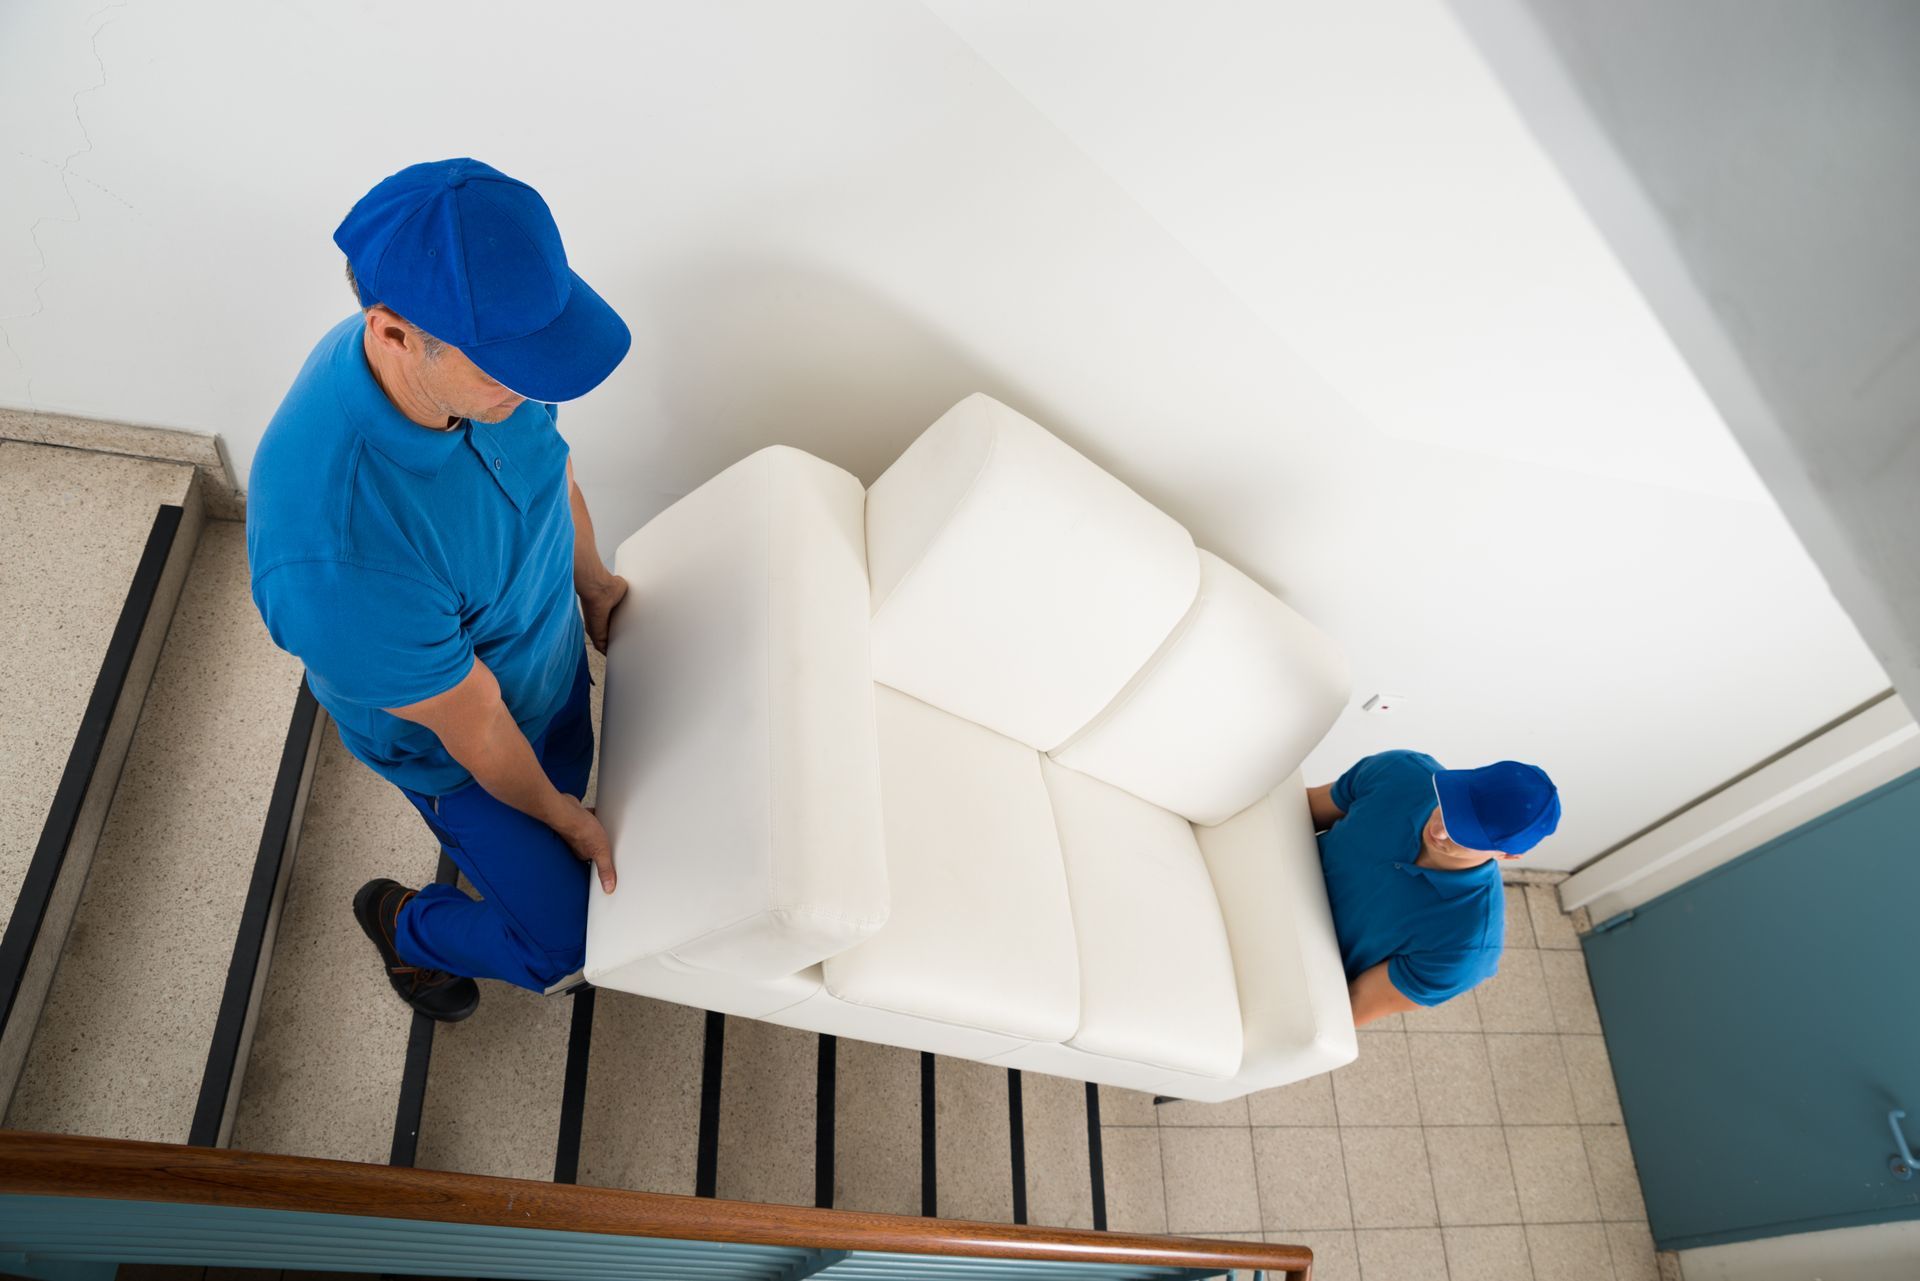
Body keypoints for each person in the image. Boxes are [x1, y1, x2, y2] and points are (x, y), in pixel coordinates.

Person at [247, 158, 633, 1022]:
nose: (531, 386)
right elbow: (477, 723)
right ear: (391, 334)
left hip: (545, 661)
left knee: (562, 785)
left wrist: (594, 582)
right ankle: (405, 928)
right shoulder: (335, 552)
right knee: (566, 943)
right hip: (462, 745)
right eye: (508, 368)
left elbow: (552, 471)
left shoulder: (478, 368)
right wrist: (559, 816)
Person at [1309, 751, 1561, 1027]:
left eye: (1464, 833)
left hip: (1300, 968)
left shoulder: (1466, 948)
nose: (1439, 830)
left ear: (1508, 856)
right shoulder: (1399, 771)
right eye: (1452, 805)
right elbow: (1299, 812)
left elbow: (1344, 1012)